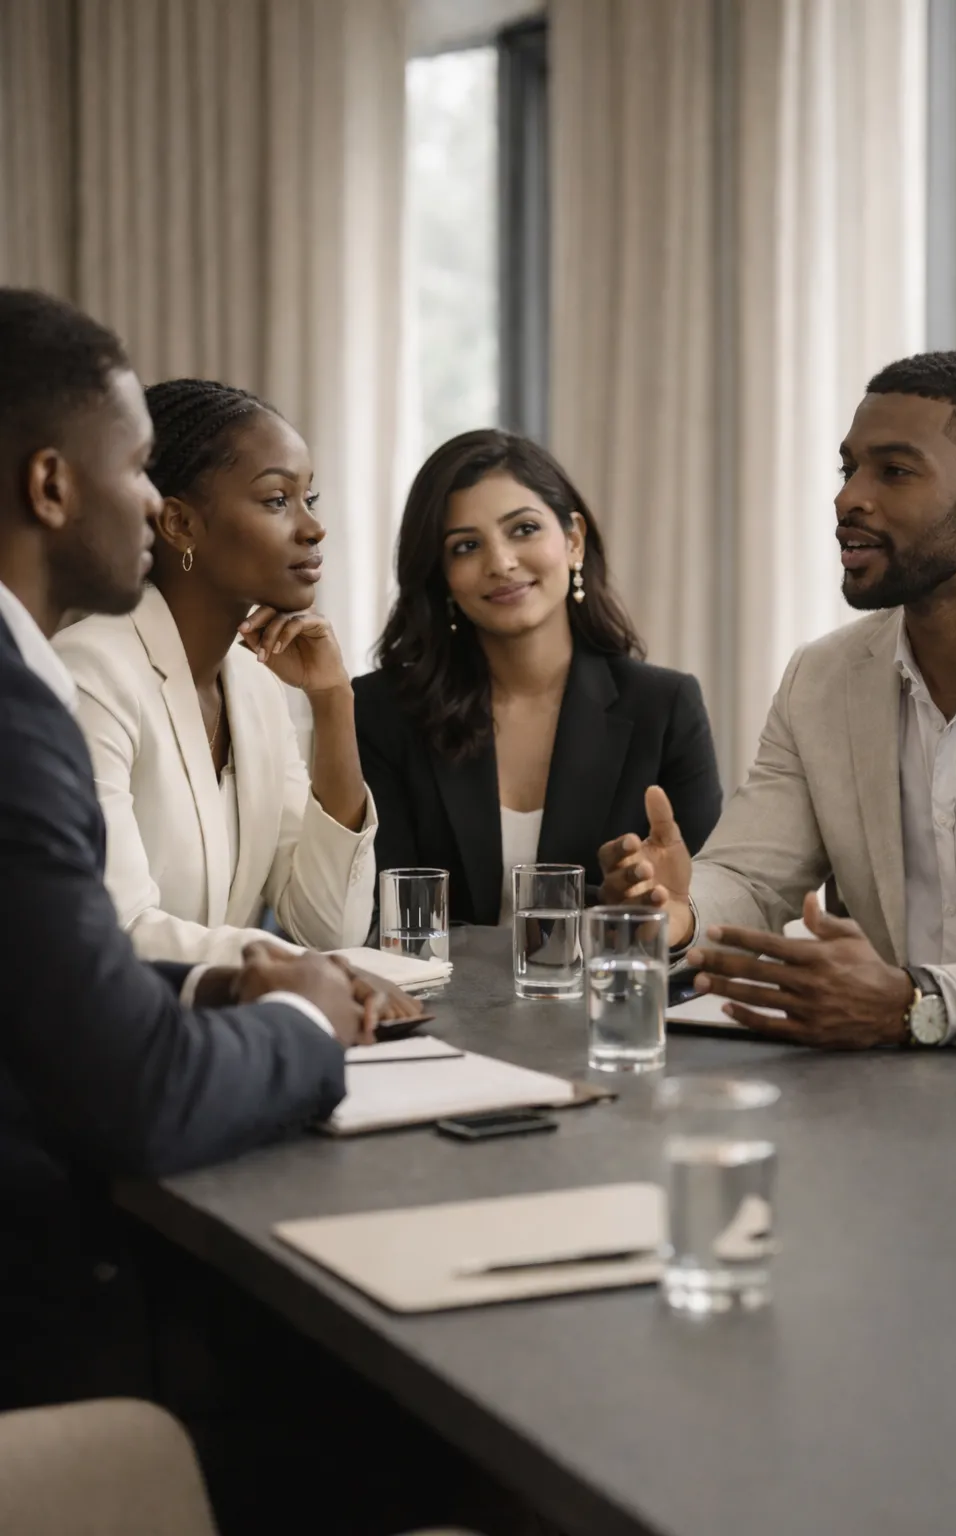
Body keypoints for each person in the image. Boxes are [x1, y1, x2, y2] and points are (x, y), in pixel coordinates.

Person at [0, 287, 399, 1415]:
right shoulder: (49, 687)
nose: (146, 498)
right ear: (51, 485)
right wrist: (299, 1016)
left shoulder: (258, 686)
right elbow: (133, 1079)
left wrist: (233, 973)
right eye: (135, 472)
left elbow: (325, 922)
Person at [600, 351, 956, 1057]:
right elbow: (749, 876)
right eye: (847, 469)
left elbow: (911, 1008)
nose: (848, 498)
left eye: (893, 470)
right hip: (883, 1107)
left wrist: (920, 1006)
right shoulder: (824, 678)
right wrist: (677, 912)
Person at [54, 378, 376, 965]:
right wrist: (298, 971)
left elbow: (330, 926)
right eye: (278, 500)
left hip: (215, 1030)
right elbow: (119, 928)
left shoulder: (254, 684)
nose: (312, 527)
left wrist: (333, 702)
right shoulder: (89, 674)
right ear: (179, 525)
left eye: (311, 498)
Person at [354, 429, 722, 924]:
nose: (501, 563)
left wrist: (632, 912)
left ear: (573, 541)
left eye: (523, 529)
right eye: (465, 546)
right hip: (434, 1001)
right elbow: (381, 918)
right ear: (440, 575)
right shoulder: (381, 711)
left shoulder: (665, 707)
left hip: (606, 996)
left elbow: (701, 909)